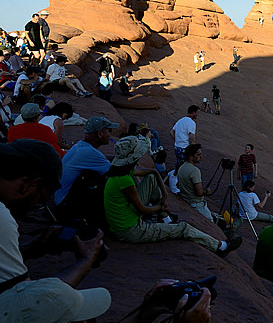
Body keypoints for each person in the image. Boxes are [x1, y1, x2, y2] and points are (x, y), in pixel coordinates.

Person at [0, 139, 111, 322]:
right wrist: (85, 261)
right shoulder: (2, 218)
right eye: (41, 199)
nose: (38, 206)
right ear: (28, 185)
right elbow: (27, 307)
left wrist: (33, 248)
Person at [104, 137, 242, 257]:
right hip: (130, 229)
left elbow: (152, 172)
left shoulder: (120, 172)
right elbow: (143, 210)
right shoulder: (125, 181)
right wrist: (161, 206)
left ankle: (166, 218)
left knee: (151, 178)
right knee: (184, 228)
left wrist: (164, 195)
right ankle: (220, 247)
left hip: (124, 220)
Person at [54, 116, 119, 206]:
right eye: (109, 131)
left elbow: (101, 158)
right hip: (64, 202)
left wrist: (116, 158)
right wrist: (144, 172)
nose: (110, 135)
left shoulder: (80, 146)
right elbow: (116, 172)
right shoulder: (89, 152)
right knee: (116, 181)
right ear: (100, 133)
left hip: (59, 197)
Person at [176, 144, 213, 221]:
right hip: (196, 204)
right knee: (211, 224)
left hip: (186, 201)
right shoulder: (194, 171)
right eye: (198, 154)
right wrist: (207, 191)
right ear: (190, 157)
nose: (201, 156)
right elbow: (199, 192)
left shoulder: (181, 168)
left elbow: (178, 185)